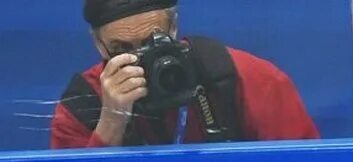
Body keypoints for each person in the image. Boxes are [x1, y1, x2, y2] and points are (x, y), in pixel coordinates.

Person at [52, 0, 320, 149]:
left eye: (152, 40)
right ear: (98, 44)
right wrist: (111, 122)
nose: (139, 60)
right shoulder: (82, 104)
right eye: (121, 49)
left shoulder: (246, 78)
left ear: (174, 27)